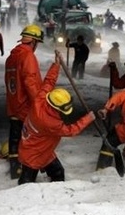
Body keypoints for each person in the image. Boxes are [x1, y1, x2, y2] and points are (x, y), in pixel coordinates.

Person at [18, 52, 96, 185]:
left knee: (58, 172)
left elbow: (48, 82)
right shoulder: (50, 123)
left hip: (43, 150)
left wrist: (56, 65)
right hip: (33, 155)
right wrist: (88, 119)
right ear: (56, 108)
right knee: (26, 184)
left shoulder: (40, 99)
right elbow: (71, 130)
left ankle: (56, 198)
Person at [4, 24, 45, 179]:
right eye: (37, 43)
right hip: (25, 108)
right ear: (33, 41)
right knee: (31, 140)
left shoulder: (11, 57)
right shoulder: (28, 56)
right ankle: (29, 171)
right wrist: (38, 103)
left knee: (14, 139)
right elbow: (30, 82)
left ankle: (15, 170)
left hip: (13, 105)